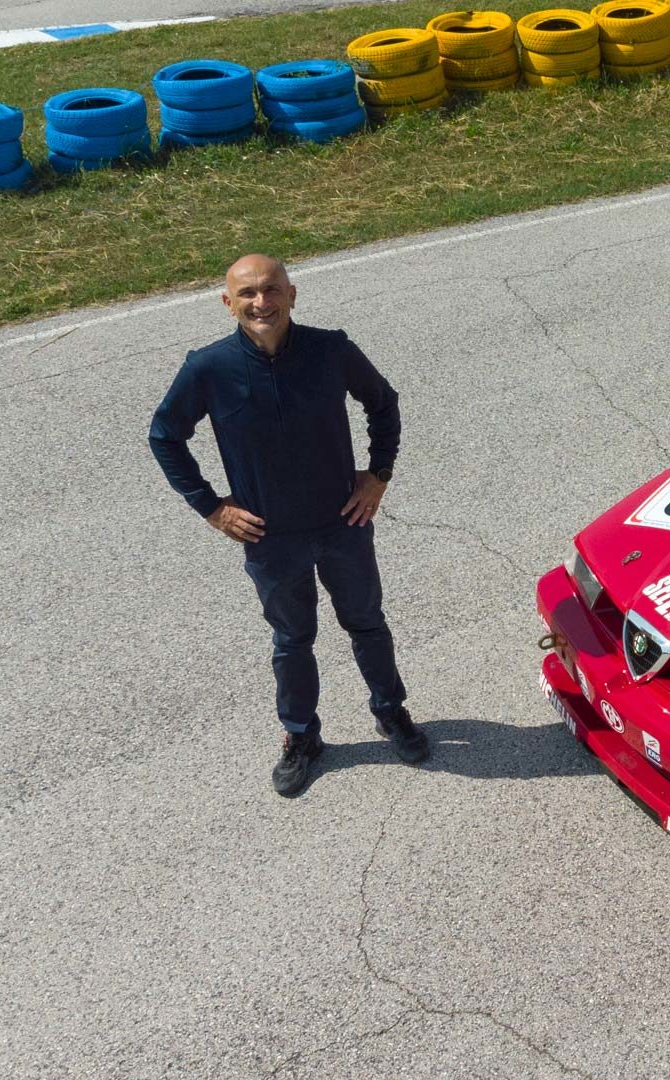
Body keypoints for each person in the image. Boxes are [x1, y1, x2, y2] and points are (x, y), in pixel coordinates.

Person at [149, 254, 430, 797]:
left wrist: (378, 476)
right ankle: (302, 737)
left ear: (293, 294)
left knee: (367, 624)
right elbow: (165, 436)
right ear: (228, 304)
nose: (263, 302)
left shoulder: (332, 350)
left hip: (343, 523)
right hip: (270, 539)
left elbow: (383, 403)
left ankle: (391, 711)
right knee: (292, 639)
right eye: (249, 293)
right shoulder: (206, 369)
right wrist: (211, 508)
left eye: (272, 289)